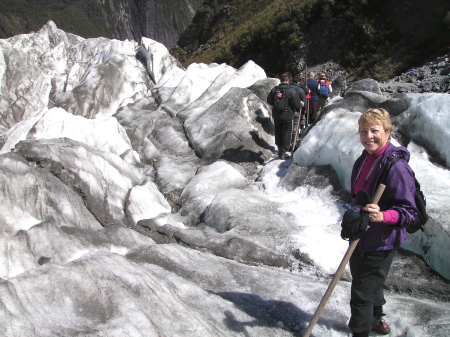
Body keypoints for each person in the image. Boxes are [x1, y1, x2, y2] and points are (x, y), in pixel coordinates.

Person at [348, 108, 418, 337]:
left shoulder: (396, 167)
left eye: (374, 130)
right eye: (363, 131)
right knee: (370, 284)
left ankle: (360, 332)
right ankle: (377, 321)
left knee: (361, 294)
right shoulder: (365, 159)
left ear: (387, 132)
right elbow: (356, 194)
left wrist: (383, 215)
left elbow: (408, 212)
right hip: (361, 234)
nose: (368, 136)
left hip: (380, 241)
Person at [267, 72, 301, 159]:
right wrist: (301, 104)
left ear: (281, 80)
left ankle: (279, 148)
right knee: (286, 132)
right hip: (288, 115)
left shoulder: (275, 90)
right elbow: (297, 105)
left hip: (277, 114)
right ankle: (283, 151)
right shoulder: (291, 91)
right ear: (289, 80)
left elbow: (269, 101)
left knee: (278, 131)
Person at [290, 75, 306, 145]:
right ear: (299, 82)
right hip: (296, 110)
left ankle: (286, 143)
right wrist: (303, 110)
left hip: (287, 110)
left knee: (288, 127)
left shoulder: (287, 88)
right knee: (295, 127)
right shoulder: (300, 91)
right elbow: (304, 102)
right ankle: (293, 142)